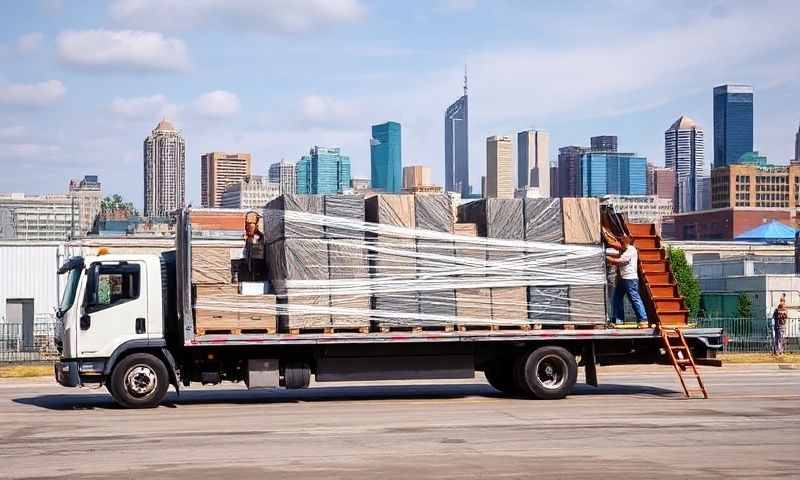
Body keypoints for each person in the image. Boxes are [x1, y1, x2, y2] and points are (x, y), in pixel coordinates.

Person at [606, 235, 649, 328]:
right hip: (623, 278)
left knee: (634, 298)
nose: (620, 244)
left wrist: (606, 258)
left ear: (626, 242)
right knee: (617, 298)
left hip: (630, 279)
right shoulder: (624, 250)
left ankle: (643, 319)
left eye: (621, 242)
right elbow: (618, 256)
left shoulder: (631, 250)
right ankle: (618, 319)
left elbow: (620, 261)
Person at [241, 210, 267, 281]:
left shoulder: (261, 237)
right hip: (251, 260)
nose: (248, 226)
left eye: (251, 223)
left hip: (258, 260)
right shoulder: (248, 238)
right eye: (247, 223)